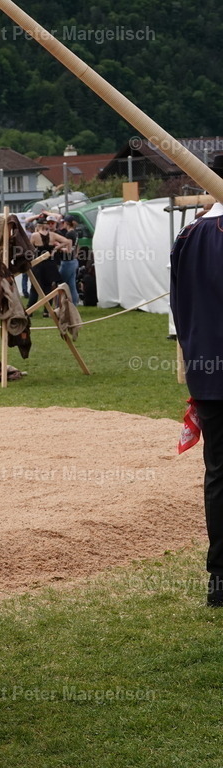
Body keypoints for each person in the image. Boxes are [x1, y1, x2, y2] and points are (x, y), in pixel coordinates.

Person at [170, 197, 223, 606]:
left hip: (208, 372)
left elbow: (180, 306)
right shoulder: (195, 234)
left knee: (219, 475)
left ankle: (220, 581)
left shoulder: (188, 235)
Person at [28, 217, 71, 308]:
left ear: (38, 226)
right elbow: (67, 241)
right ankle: (47, 311)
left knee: (35, 288)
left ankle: (30, 309)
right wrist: (55, 248)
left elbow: (30, 248)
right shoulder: (52, 235)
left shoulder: (34, 235)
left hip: (38, 264)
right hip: (50, 264)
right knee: (48, 288)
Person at [57, 215, 81, 304]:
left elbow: (68, 250)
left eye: (63, 222)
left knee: (60, 284)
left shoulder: (69, 234)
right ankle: (74, 304)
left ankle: (58, 305)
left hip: (67, 262)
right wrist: (76, 255)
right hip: (73, 261)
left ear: (66, 223)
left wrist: (58, 248)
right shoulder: (75, 233)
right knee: (72, 285)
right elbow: (77, 247)